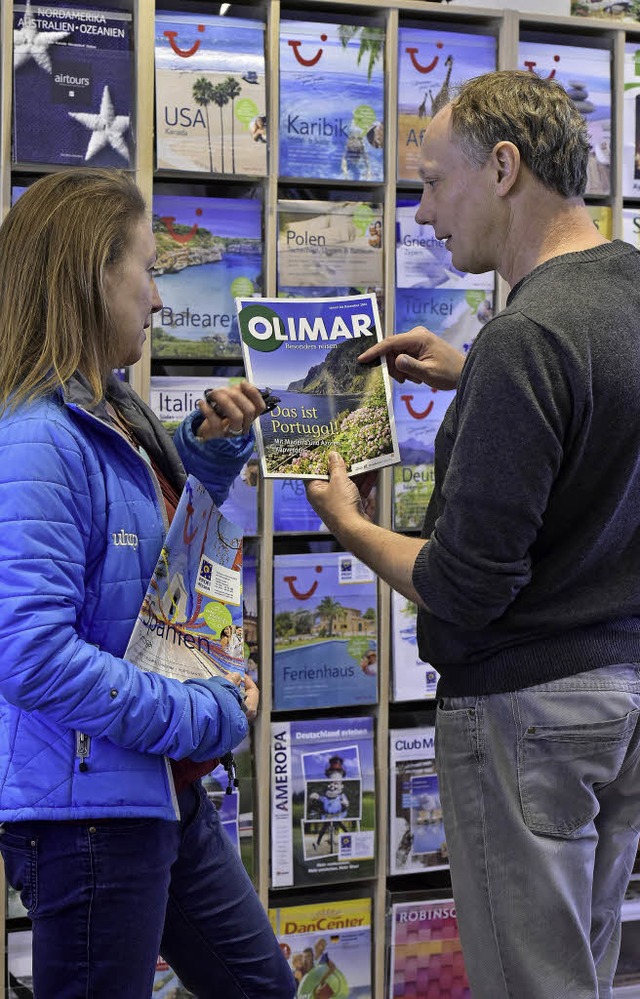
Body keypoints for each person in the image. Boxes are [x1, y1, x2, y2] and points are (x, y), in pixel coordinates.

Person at [306, 70, 640, 999]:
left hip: (528, 713)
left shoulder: (527, 338)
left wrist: (352, 527)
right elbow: (601, 416)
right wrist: (478, 378)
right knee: (583, 972)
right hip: (622, 702)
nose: (420, 212)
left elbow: (466, 583)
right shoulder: (616, 297)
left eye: (430, 181)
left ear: (503, 167)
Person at [0, 168, 296, 999]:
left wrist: (198, 452)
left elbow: (125, 546)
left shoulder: (104, 414)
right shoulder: (37, 439)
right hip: (89, 813)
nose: (160, 300)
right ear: (97, 273)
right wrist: (199, 713)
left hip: (155, 795)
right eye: (147, 267)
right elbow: (31, 656)